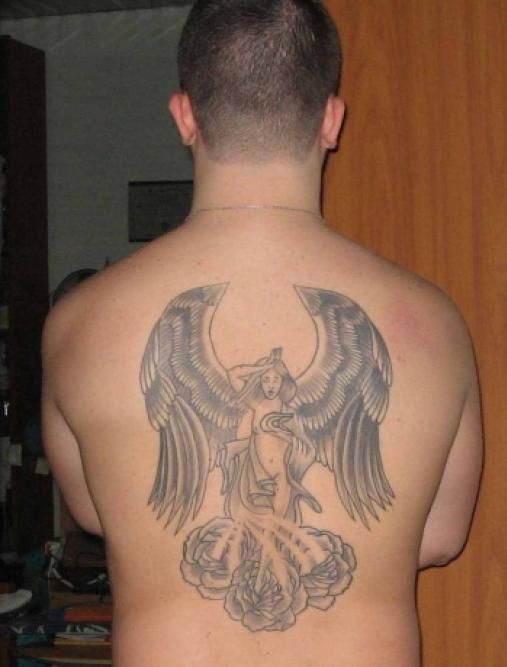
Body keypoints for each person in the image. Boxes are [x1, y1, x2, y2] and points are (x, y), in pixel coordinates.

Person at [41, 1, 483, 665]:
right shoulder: (431, 323)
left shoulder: (80, 322)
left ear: (184, 116)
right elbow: (440, 535)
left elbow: (103, 514)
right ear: (331, 119)